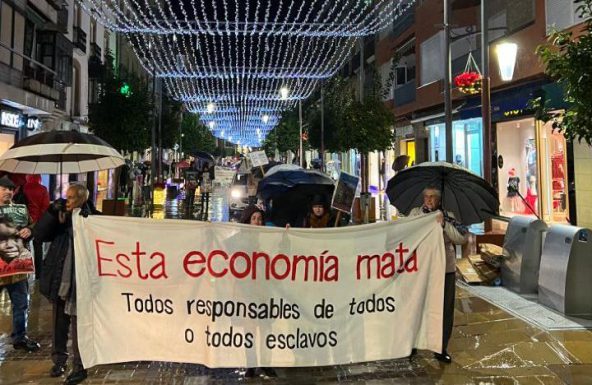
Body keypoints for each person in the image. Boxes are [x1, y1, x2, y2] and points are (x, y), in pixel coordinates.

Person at [35, 184, 99, 384]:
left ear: (82, 199)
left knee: (80, 326)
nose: (68, 200)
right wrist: (51, 212)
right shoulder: (60, 218)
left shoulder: (94, 217)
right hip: (59, 279)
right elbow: (40, 234)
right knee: (58, 324)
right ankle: (59, 360)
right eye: (67, 196)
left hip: (81, 282)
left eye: (72, 197)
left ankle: (79, 365)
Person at [408, 186, 467, 364]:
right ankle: (413, 343)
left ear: (439, 200)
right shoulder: (415, 212)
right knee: (418, 305)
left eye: (433, 197)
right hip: (422, 267)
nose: (429, 200)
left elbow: (460, 238)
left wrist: (444, 224)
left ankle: (441, 347)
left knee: (444, 308)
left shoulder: (448, 215)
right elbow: (407, 232)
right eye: (426, 196)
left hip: (445, 268)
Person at [0, 176, 40, 353]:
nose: (8, 192)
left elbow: (32, 226)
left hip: (17, 266)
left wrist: (29, 230)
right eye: (4, 189)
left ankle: (19, 337)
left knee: (21, 303)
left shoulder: (19, 210)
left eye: (11, 189)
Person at [239, 205, 276, 378]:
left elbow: (279, 258)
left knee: (266, 330)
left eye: (260, 219)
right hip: (247, 293)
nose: (257, 222)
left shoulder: (268, 239)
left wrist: (286, 239)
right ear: (247, 221)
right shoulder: (239, 241)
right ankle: (251, 364)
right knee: (250, 331)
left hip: (265, 292)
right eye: (254, 218)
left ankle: (266, 364)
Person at [23, 174, 50, 279]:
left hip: (25, 222)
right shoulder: (43, 189)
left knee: (25, 246)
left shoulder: (24, 188)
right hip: (38, 222)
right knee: (38, 247)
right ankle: (39, 274)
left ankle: (25, 271)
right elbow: (46, 207)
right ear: (39, 178)